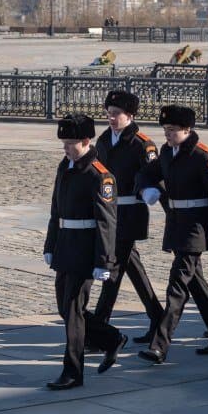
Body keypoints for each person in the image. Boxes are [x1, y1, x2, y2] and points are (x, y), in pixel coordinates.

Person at [136, 105, 208, 364]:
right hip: (177, 225)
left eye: (172, 130)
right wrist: (146, 189)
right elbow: (147, 172)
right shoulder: (168, 152)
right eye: (165, 130)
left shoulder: (204, 157)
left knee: (177, 286)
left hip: (196, 229)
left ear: (187, 130)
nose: (167, 134)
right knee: (195, 284)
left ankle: (159, 345)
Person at [42, 114, 128, 390]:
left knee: (73, 311)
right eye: (64, 143)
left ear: (86, 141)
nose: (66, 148)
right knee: (66, 309)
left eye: (71, 143)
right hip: (65, 246)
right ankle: (111, 338)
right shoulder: (65, 167)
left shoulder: (100, 175)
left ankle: (73, 372)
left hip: (85, 251)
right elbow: (56, 210)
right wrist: (50, 245)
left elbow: (106, 222)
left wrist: (104, 261)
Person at [92, 91, 164, 344]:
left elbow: (154, 175)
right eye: (109, 113)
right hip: (110, 214)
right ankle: (158, 316)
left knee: (112, 271)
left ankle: (98, 331)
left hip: (131, 213)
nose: (111, 118)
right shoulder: (103, 140)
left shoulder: (142, 144)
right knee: (131, 267)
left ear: (130, 116)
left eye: (116, 114)